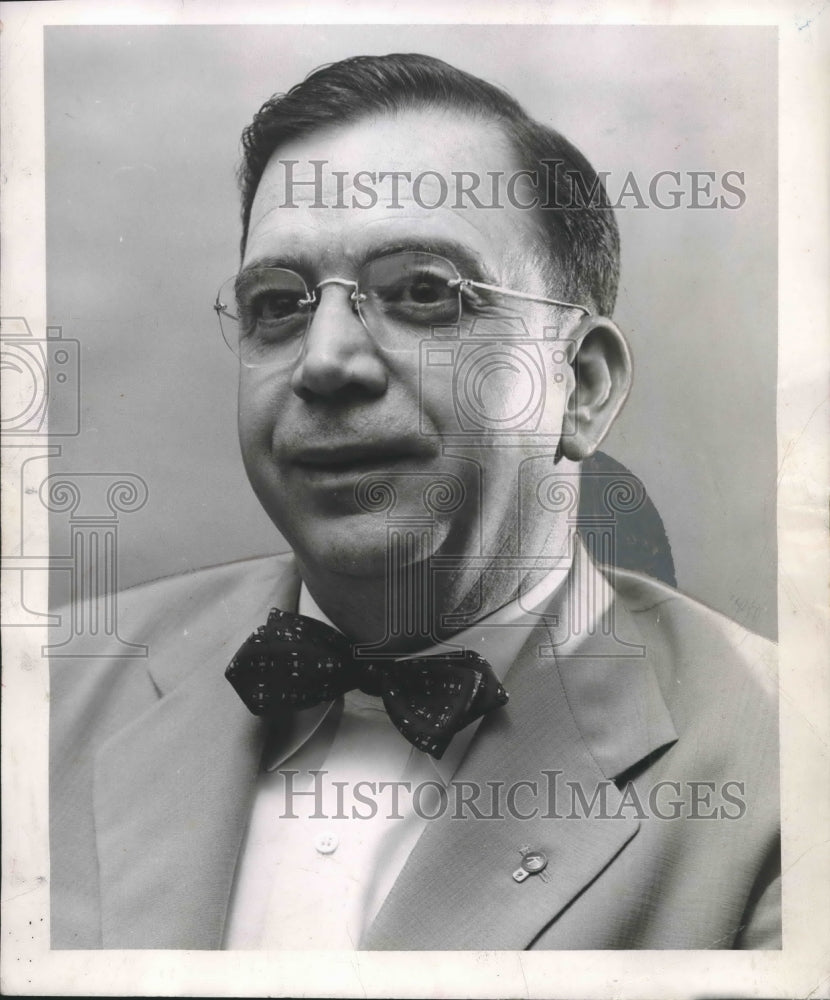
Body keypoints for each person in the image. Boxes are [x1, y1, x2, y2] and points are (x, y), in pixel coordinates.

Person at [50, 53, 779, 950]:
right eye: (278, 304)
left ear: (581, 386)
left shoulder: (790, 765)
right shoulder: (42, 695)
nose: (325, 361)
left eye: (424, 292)